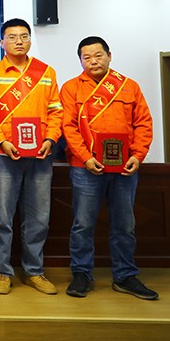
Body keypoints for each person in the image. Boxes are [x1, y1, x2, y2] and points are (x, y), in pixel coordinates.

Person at [61, 36, 158, 300]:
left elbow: (143, 123)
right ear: (80, 61)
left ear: (109, 55)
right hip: (85, 167)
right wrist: (85, 157)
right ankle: (82, 274)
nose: (93, 61)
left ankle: (125, 276)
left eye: (98, 55)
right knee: (83, 224)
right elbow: (68, 127)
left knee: (124, 224)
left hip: (124, 168)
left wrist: (138, 155)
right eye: (87, 57)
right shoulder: (71, 88)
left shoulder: (129, 86)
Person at [0, 18, 63, 295]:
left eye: (24, 36)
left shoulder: (46, 72)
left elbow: (56, 112)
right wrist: (2, 141)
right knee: (2, 217)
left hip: (40, 156)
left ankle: (34, 271)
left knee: (39, 217)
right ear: (2, 42)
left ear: (30, 40)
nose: (19, 41)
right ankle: (3, 271)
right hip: (1, 156)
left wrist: (50, 139)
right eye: (12, 37)